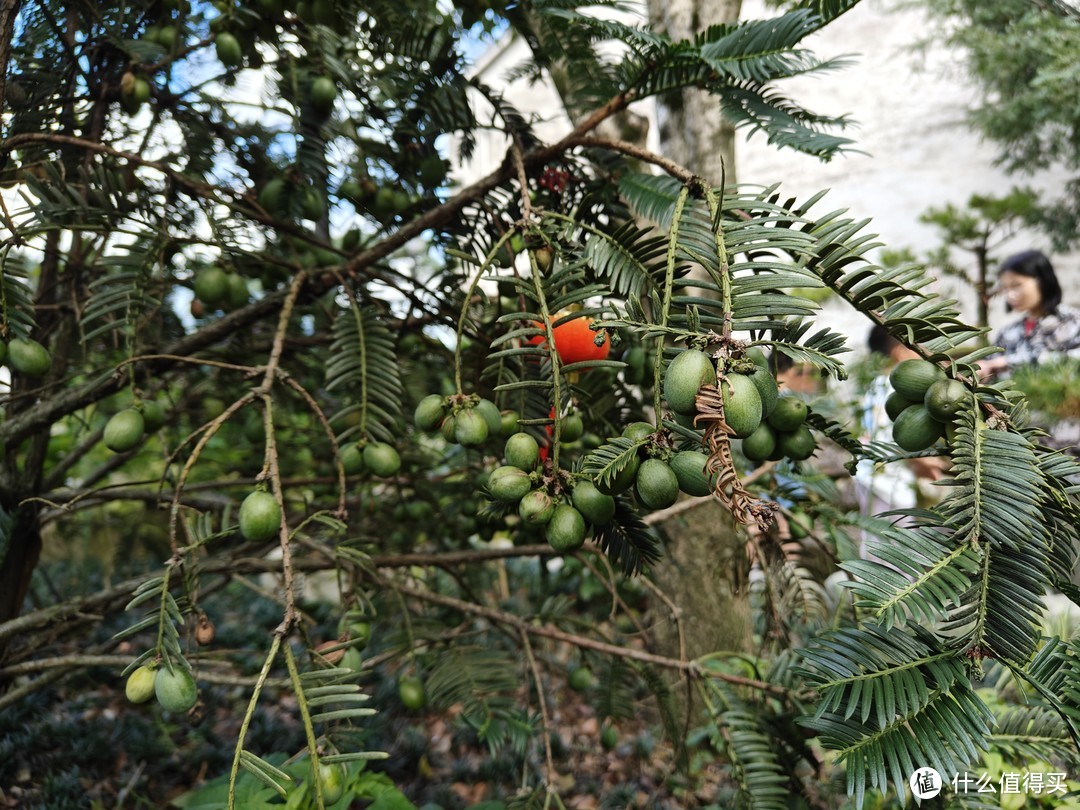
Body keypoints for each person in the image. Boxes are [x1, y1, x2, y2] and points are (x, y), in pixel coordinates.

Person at [854, 325, 947, 532]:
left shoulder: (876, 385)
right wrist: (928, 465)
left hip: (869, 475)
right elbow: (902, 437)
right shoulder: (895, 390)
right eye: (919, 349)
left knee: (872, 538)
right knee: (894, 547)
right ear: (900, 352)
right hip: (888, 484)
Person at [978, 250, 1080, 378]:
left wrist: (1007, 361)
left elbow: (1072, 359)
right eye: (1005, 288)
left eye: (1016, 286)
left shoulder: (1073, 321)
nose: (1010, 295)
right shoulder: (1008, 333)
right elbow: (989, 366)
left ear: (1042, 281)